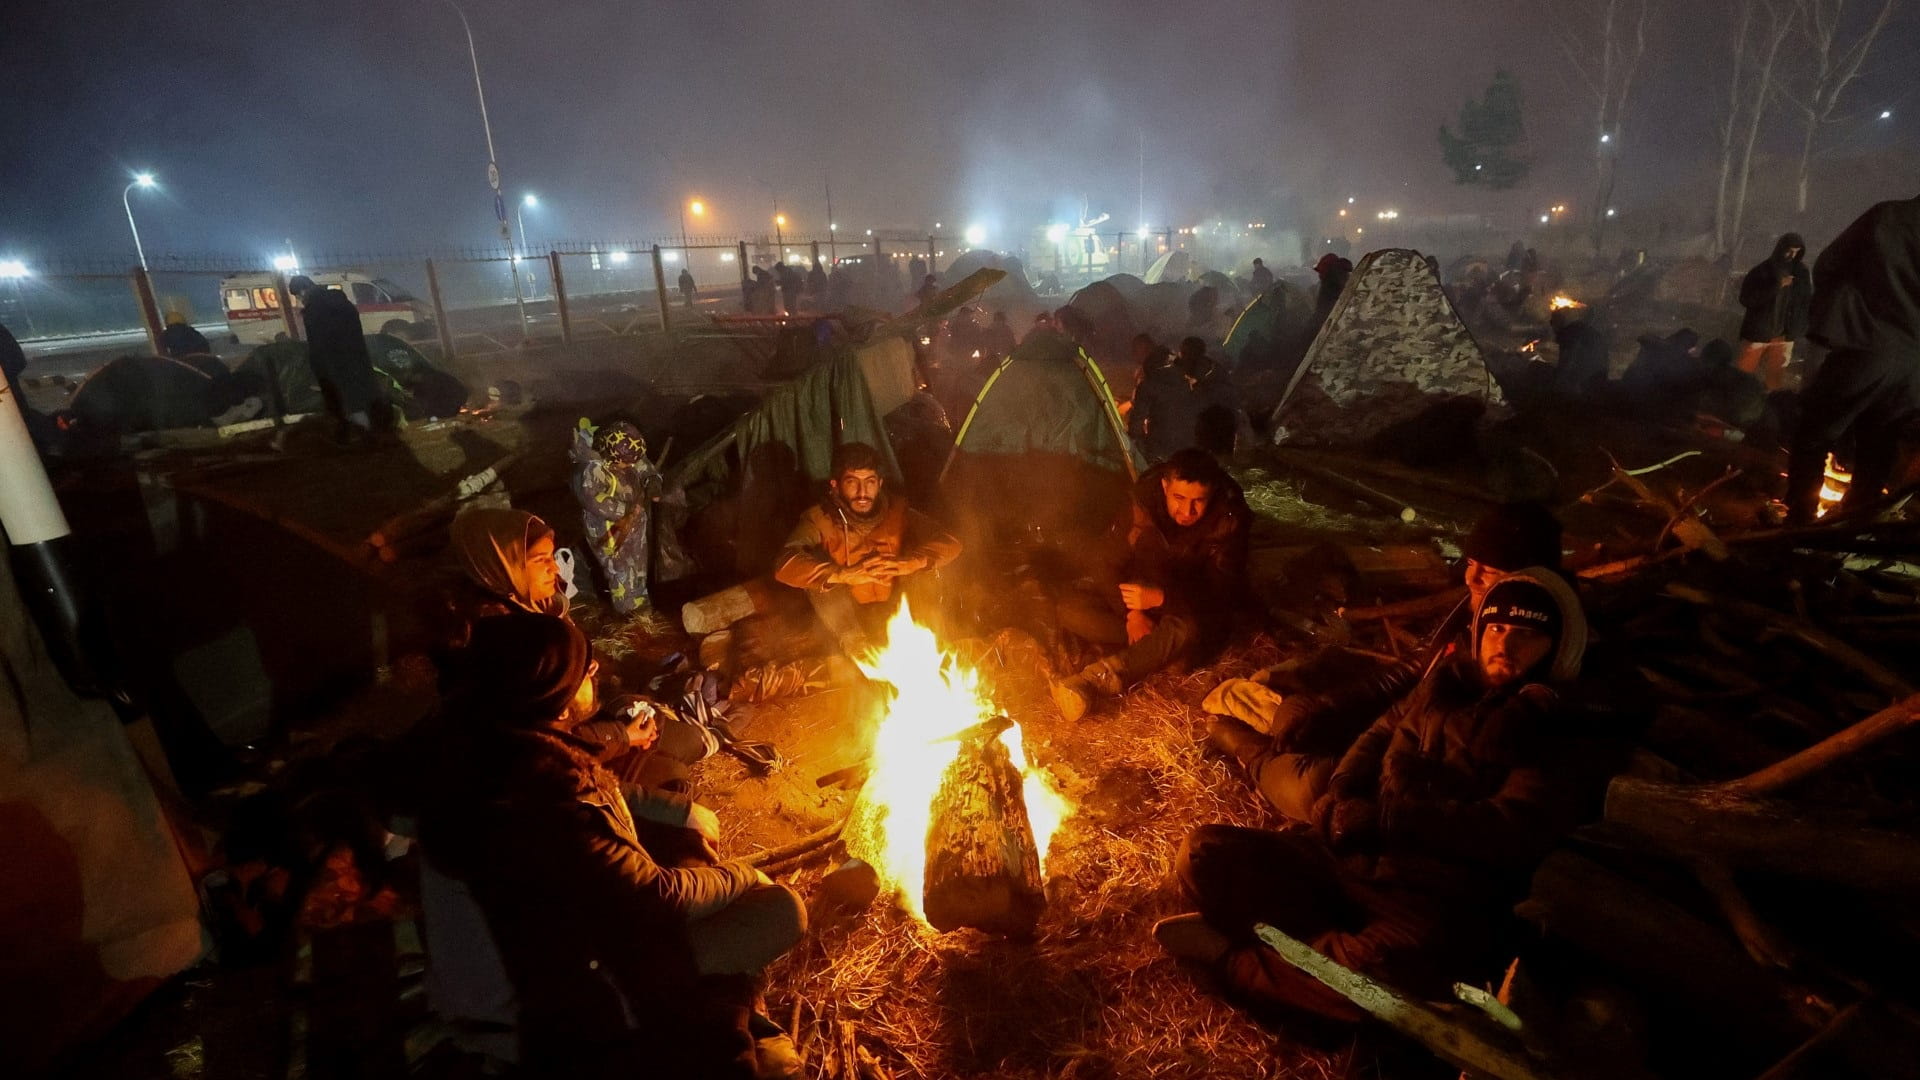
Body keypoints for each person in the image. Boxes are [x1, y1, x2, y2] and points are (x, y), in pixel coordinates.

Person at [1159, 569, 1613, 1024]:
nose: (1504, 645)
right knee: (1204, 852)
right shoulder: (1450, 685)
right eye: (1496, 628)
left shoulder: (1557, 730)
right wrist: (1340, 791)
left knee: (1379, 979)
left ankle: (1238, 959)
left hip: (1430, 894)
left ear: (1556, 648)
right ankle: (1314, 944)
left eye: (1526, 634)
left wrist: (1389, 820)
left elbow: (1508, 827)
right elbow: (1379, 734)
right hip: (1355, 852)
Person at [415, 613, 806, 1077]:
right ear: (553, 696)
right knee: (781, 909)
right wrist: (742, 876)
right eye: (584, 670)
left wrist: (684, 815)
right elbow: (658, 898)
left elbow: (605, 795)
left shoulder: (501, 740)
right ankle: (714, 1016)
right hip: (552, 1000)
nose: (596, 671)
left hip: (556, 943)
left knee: (685, 822)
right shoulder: (534, 801)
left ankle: (712, 1001)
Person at [1203, 501, 1565, 817]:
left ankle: (1249, 751)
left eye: (1491, 570)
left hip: (1418, 768)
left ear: (1533, 578)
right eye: (1471, 562)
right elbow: (1411, 673)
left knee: (1314, 787)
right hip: (1402, 729)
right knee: (1302, 708)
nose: (1472, 577)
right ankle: (1278, 732)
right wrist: (1330, 708)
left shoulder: (1544, 647)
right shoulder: (1476, 610)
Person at [1051, 449, 1251, 720]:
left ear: (1213, 493)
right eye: (1179, 498)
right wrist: (1132, 614)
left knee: (1188, 631)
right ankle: (1152, 653)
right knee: (1071, 609)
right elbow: (1105, 562)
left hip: (1189, 615)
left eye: (1198, 501)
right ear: (1164, 486)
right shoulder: (1143, 507)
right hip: (1143, 607)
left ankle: (1097, 679)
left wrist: (1160, 600)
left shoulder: (1228, 520)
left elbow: (1219, 596)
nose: (1187, 511)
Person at [1787, 194, 1920, 523]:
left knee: (1814, 430)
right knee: (1881, 442)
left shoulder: (1888, 214)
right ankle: (1855, 526)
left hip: (1868, 344)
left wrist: (1840, 316)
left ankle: (1801, 521)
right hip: (1915, 362)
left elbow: (1830, 263)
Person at [773, 442, 962, 655]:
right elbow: (783, 564)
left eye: (870, 482)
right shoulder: (820, 518)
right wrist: (843, 574)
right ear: (835, 485)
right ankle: (858, 649)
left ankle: (934, 640)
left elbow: (951, 541)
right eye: (852, 482)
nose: (863, 493)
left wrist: (911, 562)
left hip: (900, 608)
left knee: (928, 564)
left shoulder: (897, 510)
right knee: (819, 572)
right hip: (850, 616)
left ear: (879, 483)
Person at [571, 420, 663, 615]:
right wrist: (625, 509)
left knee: (638, 563)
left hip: (634, 522)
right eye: (626, 461)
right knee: (620, 569)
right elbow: (594, 499)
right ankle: (628, 613)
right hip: (609, 529)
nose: (631, 464)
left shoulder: (627, 453)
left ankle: (640, 600)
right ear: (611, 454)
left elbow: (643, 464)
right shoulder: (593, 469)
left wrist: (652, 480)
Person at [290, 275, 377, 442]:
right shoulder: (342, 302)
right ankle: (369, 432)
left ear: (303, 290)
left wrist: (318, 371)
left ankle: (361, 438)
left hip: (333, 363)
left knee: (345, 402)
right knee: (360, 397)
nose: (299, 300)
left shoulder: (314, 310)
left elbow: (318, 344)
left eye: (298, 296)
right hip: (357, 357)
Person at [1736, 233, 1812, 391]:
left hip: (1785, 335)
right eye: (1789, 251)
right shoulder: (1762, 271)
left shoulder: (1801, 273)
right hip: (1759, 333)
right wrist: (1776, 286)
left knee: (1775, 380)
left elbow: (1805, 301)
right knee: (1742, 375)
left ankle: (1767, 408)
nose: (1792, 256)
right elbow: (1747, 299)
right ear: (1780, 249)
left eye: (1797, 252)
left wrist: (1800, 326)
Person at [1548, 302, 1609, 402]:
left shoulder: (1569, 335)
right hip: (1598, 381)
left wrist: (1555, 387)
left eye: (1553, 322)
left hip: (1584, 389)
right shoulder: (1585, 331)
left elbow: (1566, 365)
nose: (1552, 326)